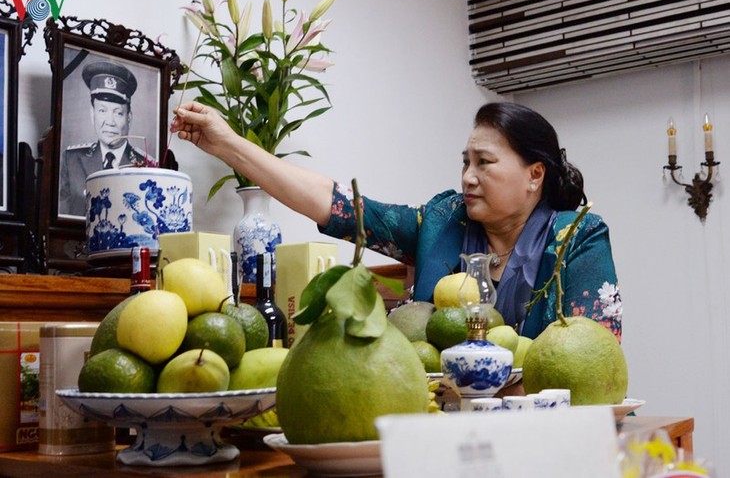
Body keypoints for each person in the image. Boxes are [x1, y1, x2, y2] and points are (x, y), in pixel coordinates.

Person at [171, 101, 622, 342]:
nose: (467, 177)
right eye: (465, 162)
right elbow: (339, 206)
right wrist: (229, 145)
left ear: (534, 175)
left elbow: (594, 354)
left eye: (485, 163)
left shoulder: (576, 236)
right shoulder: (442, 221)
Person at [59, 61, 148, 217]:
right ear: (92, 114)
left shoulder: (146, 165)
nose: (110, 122)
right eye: (102, 110)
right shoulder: (72, 159)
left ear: (129, 118)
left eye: (118, 113)